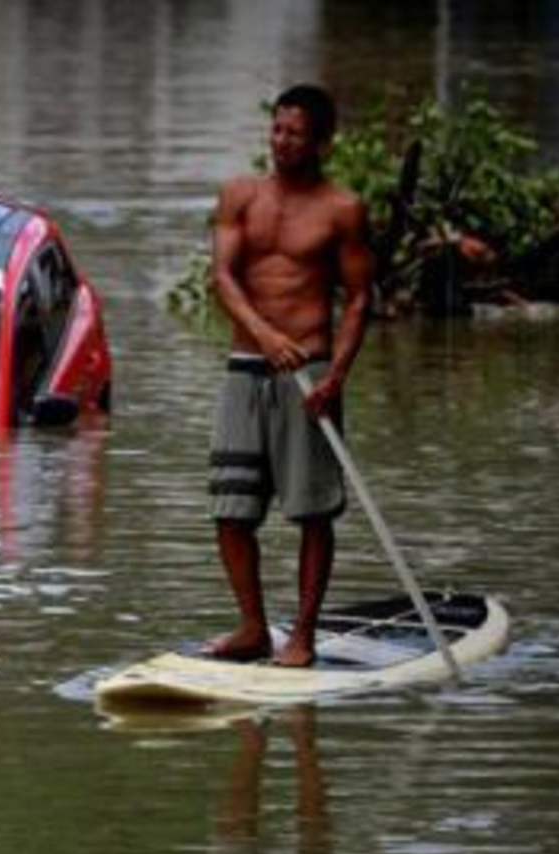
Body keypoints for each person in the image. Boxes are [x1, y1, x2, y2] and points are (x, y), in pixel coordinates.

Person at [207, 84, 373, 668]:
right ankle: (252, 627)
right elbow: (222, 277)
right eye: (277, 129)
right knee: (230, 510)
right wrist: (264, 333)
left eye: (295, 133)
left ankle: (302, 636)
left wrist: (339, 377)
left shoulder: (342, 208)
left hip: (310, 373)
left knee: (311, 511)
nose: (281, 141)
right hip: (246, 368)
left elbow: (358, 299)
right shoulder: (239, 196)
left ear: (324, 141)